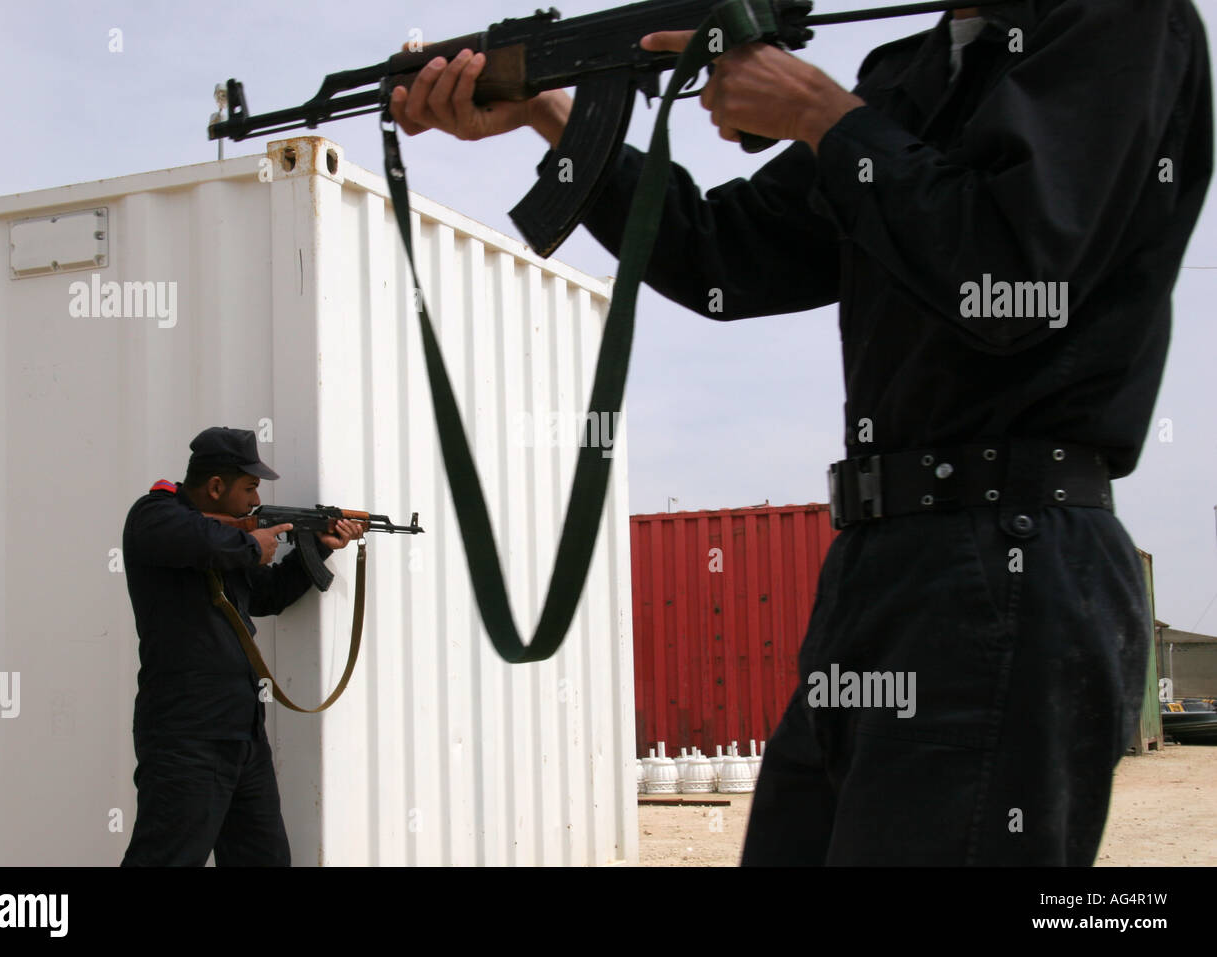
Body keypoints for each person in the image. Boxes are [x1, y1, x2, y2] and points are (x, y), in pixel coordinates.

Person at [389, 0, 1213, 864]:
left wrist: (822, 116)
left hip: (1010, 548)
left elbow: (1007, 273)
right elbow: (720, 254)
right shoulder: (915, 73)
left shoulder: (1117, 19)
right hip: (879, 561)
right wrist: (549, 115)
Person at [120, 427, 364, 866]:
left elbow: (267, 596)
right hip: (187, 736)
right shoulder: (155, 514)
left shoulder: (226, 546)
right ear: (216, 486)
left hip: (242, 733)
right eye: (249, 487)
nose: (254, 500)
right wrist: (251, 545)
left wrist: (320, 550)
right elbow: (198, 539)